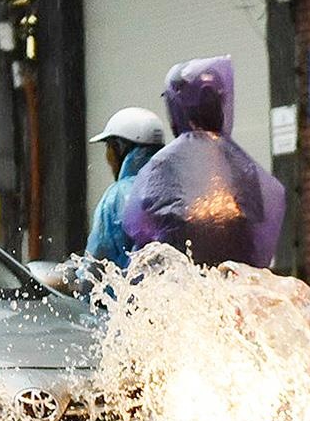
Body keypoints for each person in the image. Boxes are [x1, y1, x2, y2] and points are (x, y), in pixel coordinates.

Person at [122, 56, 286, 267]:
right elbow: (263, 224)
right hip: (236, 282)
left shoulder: (163, 164)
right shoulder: (242, 165)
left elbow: (135, 223)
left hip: (179, 283)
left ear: (177, 108)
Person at [84, 107, 165, 265]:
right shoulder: (174, 186)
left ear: (119, 148)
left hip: (131, 289)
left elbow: (96, 264)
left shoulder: (116, 197)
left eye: (109, 147)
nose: (108, 158)